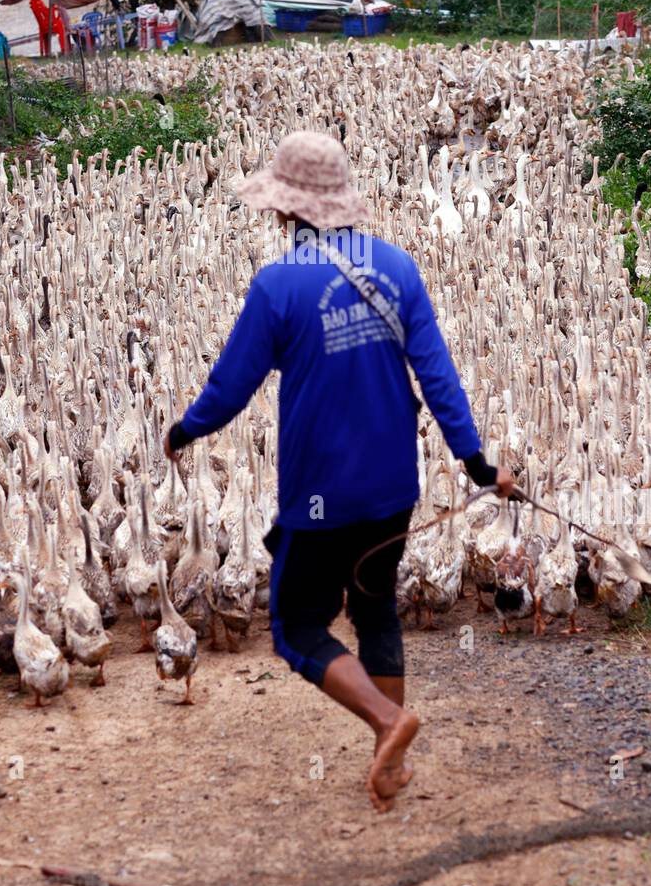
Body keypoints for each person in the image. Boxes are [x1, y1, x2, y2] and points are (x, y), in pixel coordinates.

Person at [165, 131, 514, 812]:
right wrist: (476, 462)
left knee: (296, 628)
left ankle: (387, 724)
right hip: (393, 490)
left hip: (319, 495)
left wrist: (185, 430)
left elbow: (231, 386)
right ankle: (391, 765)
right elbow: (438, 377)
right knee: (377, 606)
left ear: (287, 210)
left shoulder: (277, 286)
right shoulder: (398, 268)